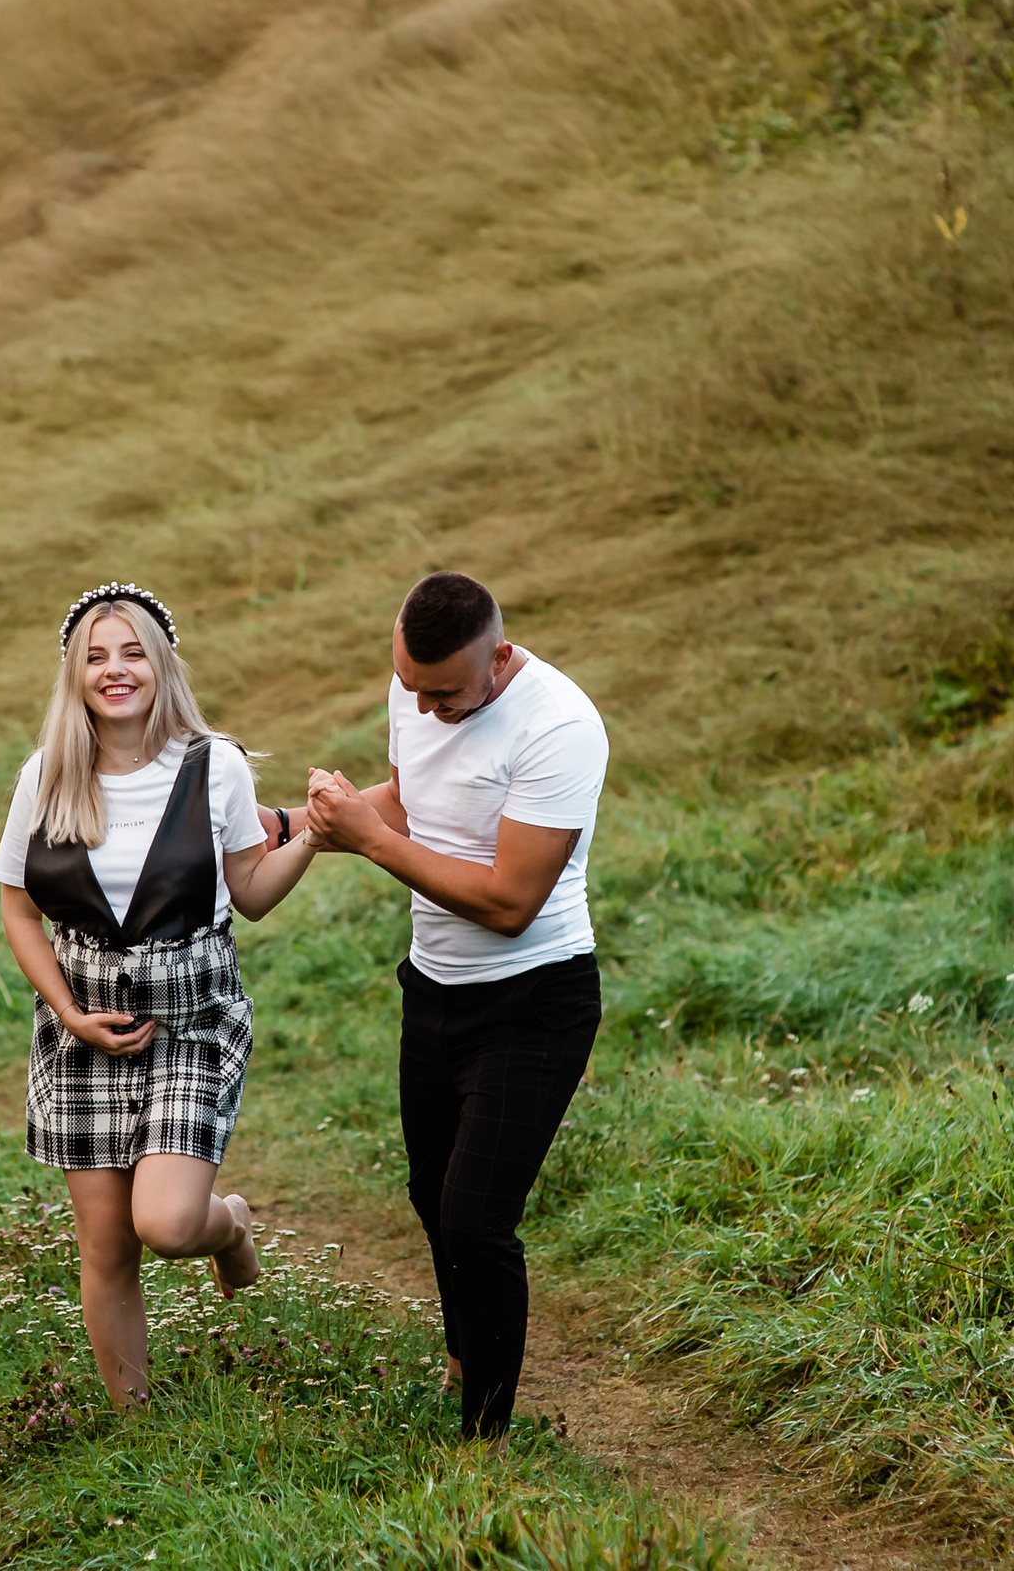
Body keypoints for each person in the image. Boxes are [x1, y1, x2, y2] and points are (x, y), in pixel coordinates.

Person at [0, 583, 319, 1408]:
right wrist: (68, 1012)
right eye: (95, 657)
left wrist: (317, 835)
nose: (115, 670)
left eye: (132, 651)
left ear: (162, 663)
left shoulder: (217, 767)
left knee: (168, 1225)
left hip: (193, 1021)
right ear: (74, 675)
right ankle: (135, 1425)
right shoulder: (47, 776)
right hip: (83, 1030)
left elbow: (249, 888)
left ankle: (229, 1221)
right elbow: (18, 906)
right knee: (106, 1243)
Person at [298, 570, 608, 1440]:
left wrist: (373, 842)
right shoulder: (417, 687)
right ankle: (466, 1364)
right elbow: (409, 801)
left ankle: (487, 1439)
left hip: (535, 1001)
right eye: (411, 687)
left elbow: (511, 905)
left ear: (499, 658)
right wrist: (298, 824)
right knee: (433, 1196)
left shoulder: (560, 726)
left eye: (445, 693)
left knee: (476, 1219)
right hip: (431, 988)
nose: (424, 708)